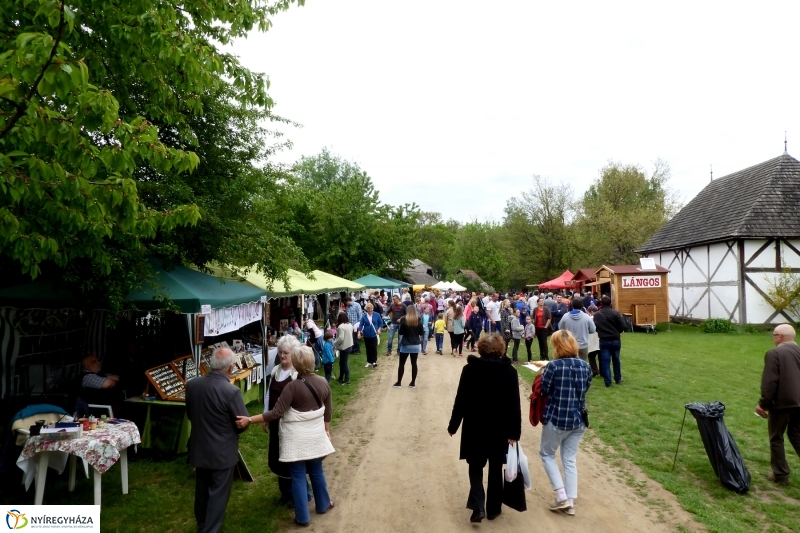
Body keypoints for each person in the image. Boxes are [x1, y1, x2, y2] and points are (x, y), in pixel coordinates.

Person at [237, 346, 335, 527]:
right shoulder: (323, 382)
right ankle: (323, 504)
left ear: (296, 363)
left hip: (296, 438)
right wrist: (326, 429)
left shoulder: (292, 386)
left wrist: (250, 419)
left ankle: (303, 517)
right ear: (313, 361)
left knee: (297, 475)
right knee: (316, 470)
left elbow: (275, 413)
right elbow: (328, 411)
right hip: (315, 435)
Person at [447, 334, 521, 523]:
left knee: (475, 466)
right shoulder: (509, 372)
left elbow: (460, 400)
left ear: (480, 349)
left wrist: (453, 425)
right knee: (495, 467)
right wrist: (514, 432)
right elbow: (514, 405)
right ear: (501, 349)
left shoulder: (470, 370)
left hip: (475, 426)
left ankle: (478, 505)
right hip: (499, 427)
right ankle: (493, 508)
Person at [186, 348, 248, 533]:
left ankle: (202, 524)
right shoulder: (231, 391)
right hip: (222, 451)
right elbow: (242, 423)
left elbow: (190, 414)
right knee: (218, 494)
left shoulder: (192, 385)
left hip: (199, 446)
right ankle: (210, 529)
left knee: (202, 489)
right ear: (230, 368)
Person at [539, 330, 592, 516]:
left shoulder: (554, 366)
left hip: (557, 418)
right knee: (569, 459)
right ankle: (570, 500)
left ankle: (562, 495)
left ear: (557, 346)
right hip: (578, 419)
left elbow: (544, 389)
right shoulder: (585, 366)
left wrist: (544, 373)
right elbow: (587, 386)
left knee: (546, 454)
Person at [755, 324, 800, 485]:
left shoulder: (775, 353)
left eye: (774, 335)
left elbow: (770, 381)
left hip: (783, 403)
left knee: (776, 437)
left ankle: (780, 475)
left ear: (779, 336)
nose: (773, 338)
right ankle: (781, 473)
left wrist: (763, 404)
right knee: (796, 435)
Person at [262, 336, 302, 507]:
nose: (282, 355)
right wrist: (265, 415)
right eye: (280, 352)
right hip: (274, 421)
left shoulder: (298, 374)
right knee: (277, 456)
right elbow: (269, 394)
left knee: (291, 458)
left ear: (293, 353)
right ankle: (285, 493)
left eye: (286, 352)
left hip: (290, 423)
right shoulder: (276, 370)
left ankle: (300, 494)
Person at [593, 295, 627, 387]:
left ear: (601, 304)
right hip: (615, 339)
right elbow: (623, 326)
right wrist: (617, 331)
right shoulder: (615, 313)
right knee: (616, 360)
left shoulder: (597, 315)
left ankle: (608, 381)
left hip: (604, 340)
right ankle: (618, 378)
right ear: (610, 303)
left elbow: (595, 328)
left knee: (605, 361)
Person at [393, 304, 424, 388]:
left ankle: (399, 382)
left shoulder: (404, 320)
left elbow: (401, 332)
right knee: (414, 364)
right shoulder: (419, 321)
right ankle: (413, 383)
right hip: (415, 344)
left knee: (402, 364)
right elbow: (421, 333)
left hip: (406, 344)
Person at [558, 297, 597, 361]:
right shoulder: (587, 317)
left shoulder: (565, 316)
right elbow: (593, 329)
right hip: (583, 344)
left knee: (570, 362)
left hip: (570, 344)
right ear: (582, 306)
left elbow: (560, 328)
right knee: (583, 363)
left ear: (572, 305)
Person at [357, 303, 383, 368]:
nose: (370, 310)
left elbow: (380, 323)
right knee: (368, 348)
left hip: (374, 334)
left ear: (373, 308)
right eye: (368, 308)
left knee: (373, 348)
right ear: (366, 309)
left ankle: (374, 361)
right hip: (366, 334)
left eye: (371, 308)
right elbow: (361, 325)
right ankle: (369, 361)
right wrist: (359, 333)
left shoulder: (377, 315)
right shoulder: (364, 316)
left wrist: (379, 329)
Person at [333, 312, 353, 385]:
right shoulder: (350, 325)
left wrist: (334, 344)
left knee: (344, 363)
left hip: (344, 346)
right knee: (341, 363)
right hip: (349, 345)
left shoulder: (341, 327)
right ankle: (341, 378)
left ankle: (347, 379)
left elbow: (341, 338)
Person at [586, 306, 600, 376]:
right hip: (601, 338)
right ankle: (602, 371)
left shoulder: (589, 319)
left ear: (591, 312)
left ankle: (594, 370)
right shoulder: (602, 317)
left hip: (592, 339)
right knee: (601, 356)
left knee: (591, 356)